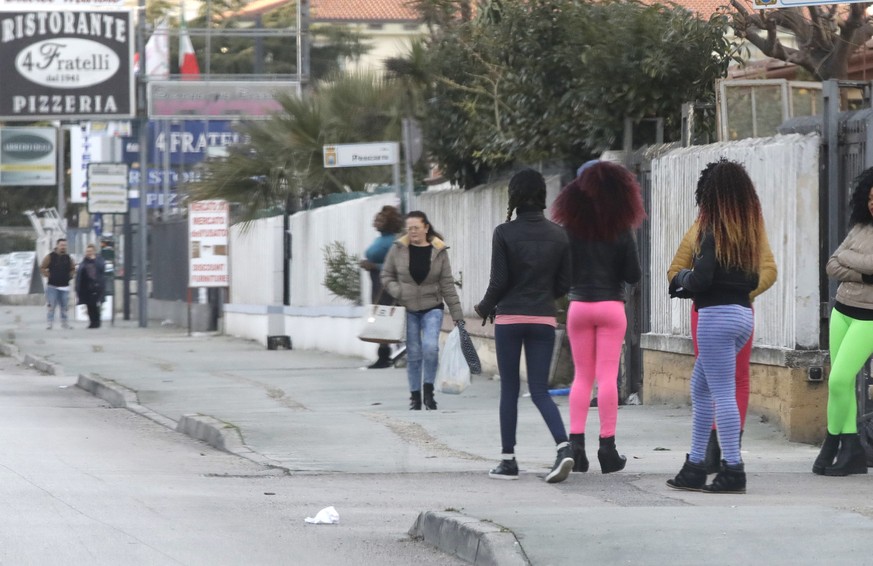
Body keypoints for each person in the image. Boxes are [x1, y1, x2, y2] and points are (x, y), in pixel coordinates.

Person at [667, 161, 778, 472]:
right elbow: (677, 267)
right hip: (737, 314)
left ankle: (731, 464)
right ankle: (697, 462)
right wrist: (740, 294)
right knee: (705, 387)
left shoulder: (708, 230)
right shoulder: (749, 229)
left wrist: (724, 292)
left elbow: (685, 275)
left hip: (716, 314)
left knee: (725, 388)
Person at [475, 169, 574, 483]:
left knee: (510, 389)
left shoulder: (504, 232)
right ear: (542, 197)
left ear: (514, 197)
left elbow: (500, 281)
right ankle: (563, 446)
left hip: (510, 319)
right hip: (543, 318)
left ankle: (508, 461)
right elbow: (564, 283)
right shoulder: (560, 234)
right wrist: (542, 297)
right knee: (541, 390)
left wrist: (484, 307)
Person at [552, 160, 646, 474]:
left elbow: (561, 277)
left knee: (582, 377)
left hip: (579, 306)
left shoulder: (570, 230)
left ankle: (575, 447)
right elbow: (633, 274)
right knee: (607, 377)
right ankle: (608, 448)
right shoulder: (621, 229)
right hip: (610, 306)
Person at [812, 167, 873, 477]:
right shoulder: (860, 226)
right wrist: (864, 274)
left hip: (869, 318)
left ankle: (833, 442)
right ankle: (849, 452)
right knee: (841, 384)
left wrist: (849, 261)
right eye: (872, 197)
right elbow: (831, 264)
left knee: (838, 380)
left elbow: (845, 260)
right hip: (842, 310)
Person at [381, 211, 464, 411]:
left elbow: (447, 284)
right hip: (407, 308)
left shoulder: (438, 250)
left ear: (426, 227)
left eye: (416, 228)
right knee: (414, 352)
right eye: (409, 229)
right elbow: (386, 275)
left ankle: (428, 391)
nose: (413, 232)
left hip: (432, 307)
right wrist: (397, 290)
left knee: (430, 347)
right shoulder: (398, 249)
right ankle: (414, 396)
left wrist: (457, 315)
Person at [360, 205, 404, 369]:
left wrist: (374, 266)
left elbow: (395, 265)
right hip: (376, 282)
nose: (375, 222)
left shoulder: (392, 241)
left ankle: (386, 355)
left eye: (380, 220)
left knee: (385, 318)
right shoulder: (380, 239)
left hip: (385, 284)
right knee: (380, 318)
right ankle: (384, 354)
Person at [40, 238, 76, 330]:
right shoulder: (50, 257)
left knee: (64, 306)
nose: (63, 247)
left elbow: (73, 268)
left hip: (65, 287)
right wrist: (49, 275)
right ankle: (49, 323)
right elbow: (42, 267)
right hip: (52, 286)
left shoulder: (68, 258)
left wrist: (70, 275)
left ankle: (64, 323)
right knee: (51, 306)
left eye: (65, 245)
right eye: (61, 245)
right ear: (57, 246)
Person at [76, 244, 106, 329]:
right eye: (87, 251)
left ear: (94, 252)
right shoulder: (84, 261)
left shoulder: (99, 260)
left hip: (96, 286)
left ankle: (97, 322)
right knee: (89, 305)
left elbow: (102, 268)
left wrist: (94, 260)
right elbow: (80, 273)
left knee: (94, 305)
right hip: (86, 287)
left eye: (90, 251)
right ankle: (92, 322)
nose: (88, 253)